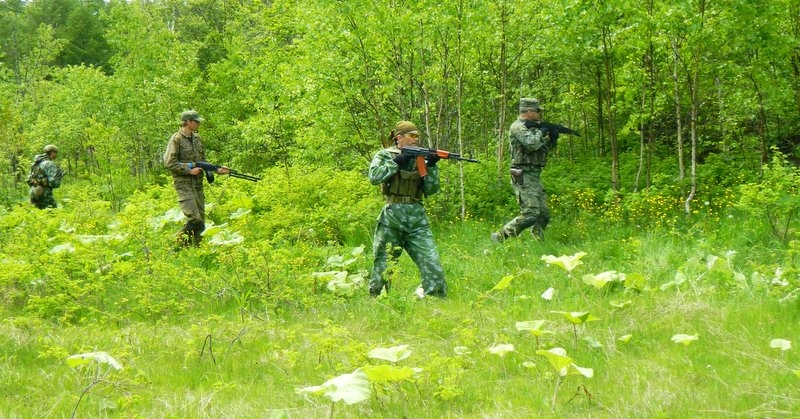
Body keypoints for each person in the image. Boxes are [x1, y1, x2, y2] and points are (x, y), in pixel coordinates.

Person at [368, 121, 447, 299]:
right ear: (399, 138)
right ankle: (377, 300)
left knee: (432, 263)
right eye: (412, 136)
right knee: (384, 264)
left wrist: (431, 166)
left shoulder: (420, 159)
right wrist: (396, 163)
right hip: (392, 218)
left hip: (417, 219)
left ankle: (434, 299)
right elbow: (374, 177)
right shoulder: (385, 155)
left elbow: (432, 189)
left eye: (417, 136)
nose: (415, 140)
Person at [492, 98, 557, 242]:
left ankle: (538, 243)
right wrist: (542, 132)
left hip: (534, 174)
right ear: (528, 112)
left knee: (544, 214)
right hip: (523, 174)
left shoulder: (532, 128)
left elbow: (539, 149)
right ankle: (501, 236)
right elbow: (531, 143)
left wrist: (551, 139)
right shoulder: (518, 127)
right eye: (537, 111)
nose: (540, 114)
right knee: (531, 213)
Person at [163, 110, 229, 247]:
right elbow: (170, 163)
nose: (199, 123)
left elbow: (202, 161)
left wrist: (217, 169)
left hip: (198, 185)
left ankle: (195, 248)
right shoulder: (176, 139)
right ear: (188, 122)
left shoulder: (198, 139)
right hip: (184, 185)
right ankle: (175, 245)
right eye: (196, 121)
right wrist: (189, 170)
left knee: (201, 221)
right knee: (195, 218)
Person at [27, 144, 64, 209]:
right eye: (56, 153)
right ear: (52, 152)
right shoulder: (49, 163)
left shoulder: (35, 163)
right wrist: (59, 178)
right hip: (44, 193)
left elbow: (29, 178)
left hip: (33, 191)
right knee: (52, 212)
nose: (56, 155)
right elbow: (52, 182)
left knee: (35, 213)